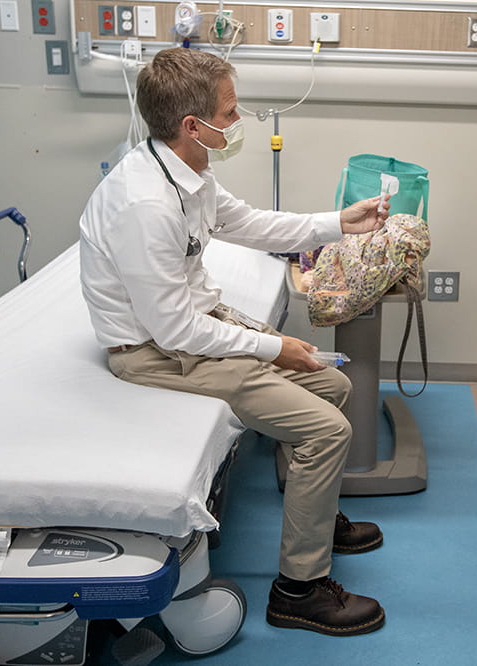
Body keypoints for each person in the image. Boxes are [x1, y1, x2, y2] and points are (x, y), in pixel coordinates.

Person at [79, 47, 388, 636]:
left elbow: (245, 222)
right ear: (192, 125)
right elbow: (174, 332)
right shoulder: (144, 204)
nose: (239, 119)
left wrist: (337, 223)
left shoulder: (184, 169)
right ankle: (299, 589)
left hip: (191, 326)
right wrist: (276, 349)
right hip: (155, 353)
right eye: (231, 110)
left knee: (334, 383)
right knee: (328, 428)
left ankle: (316, 515)